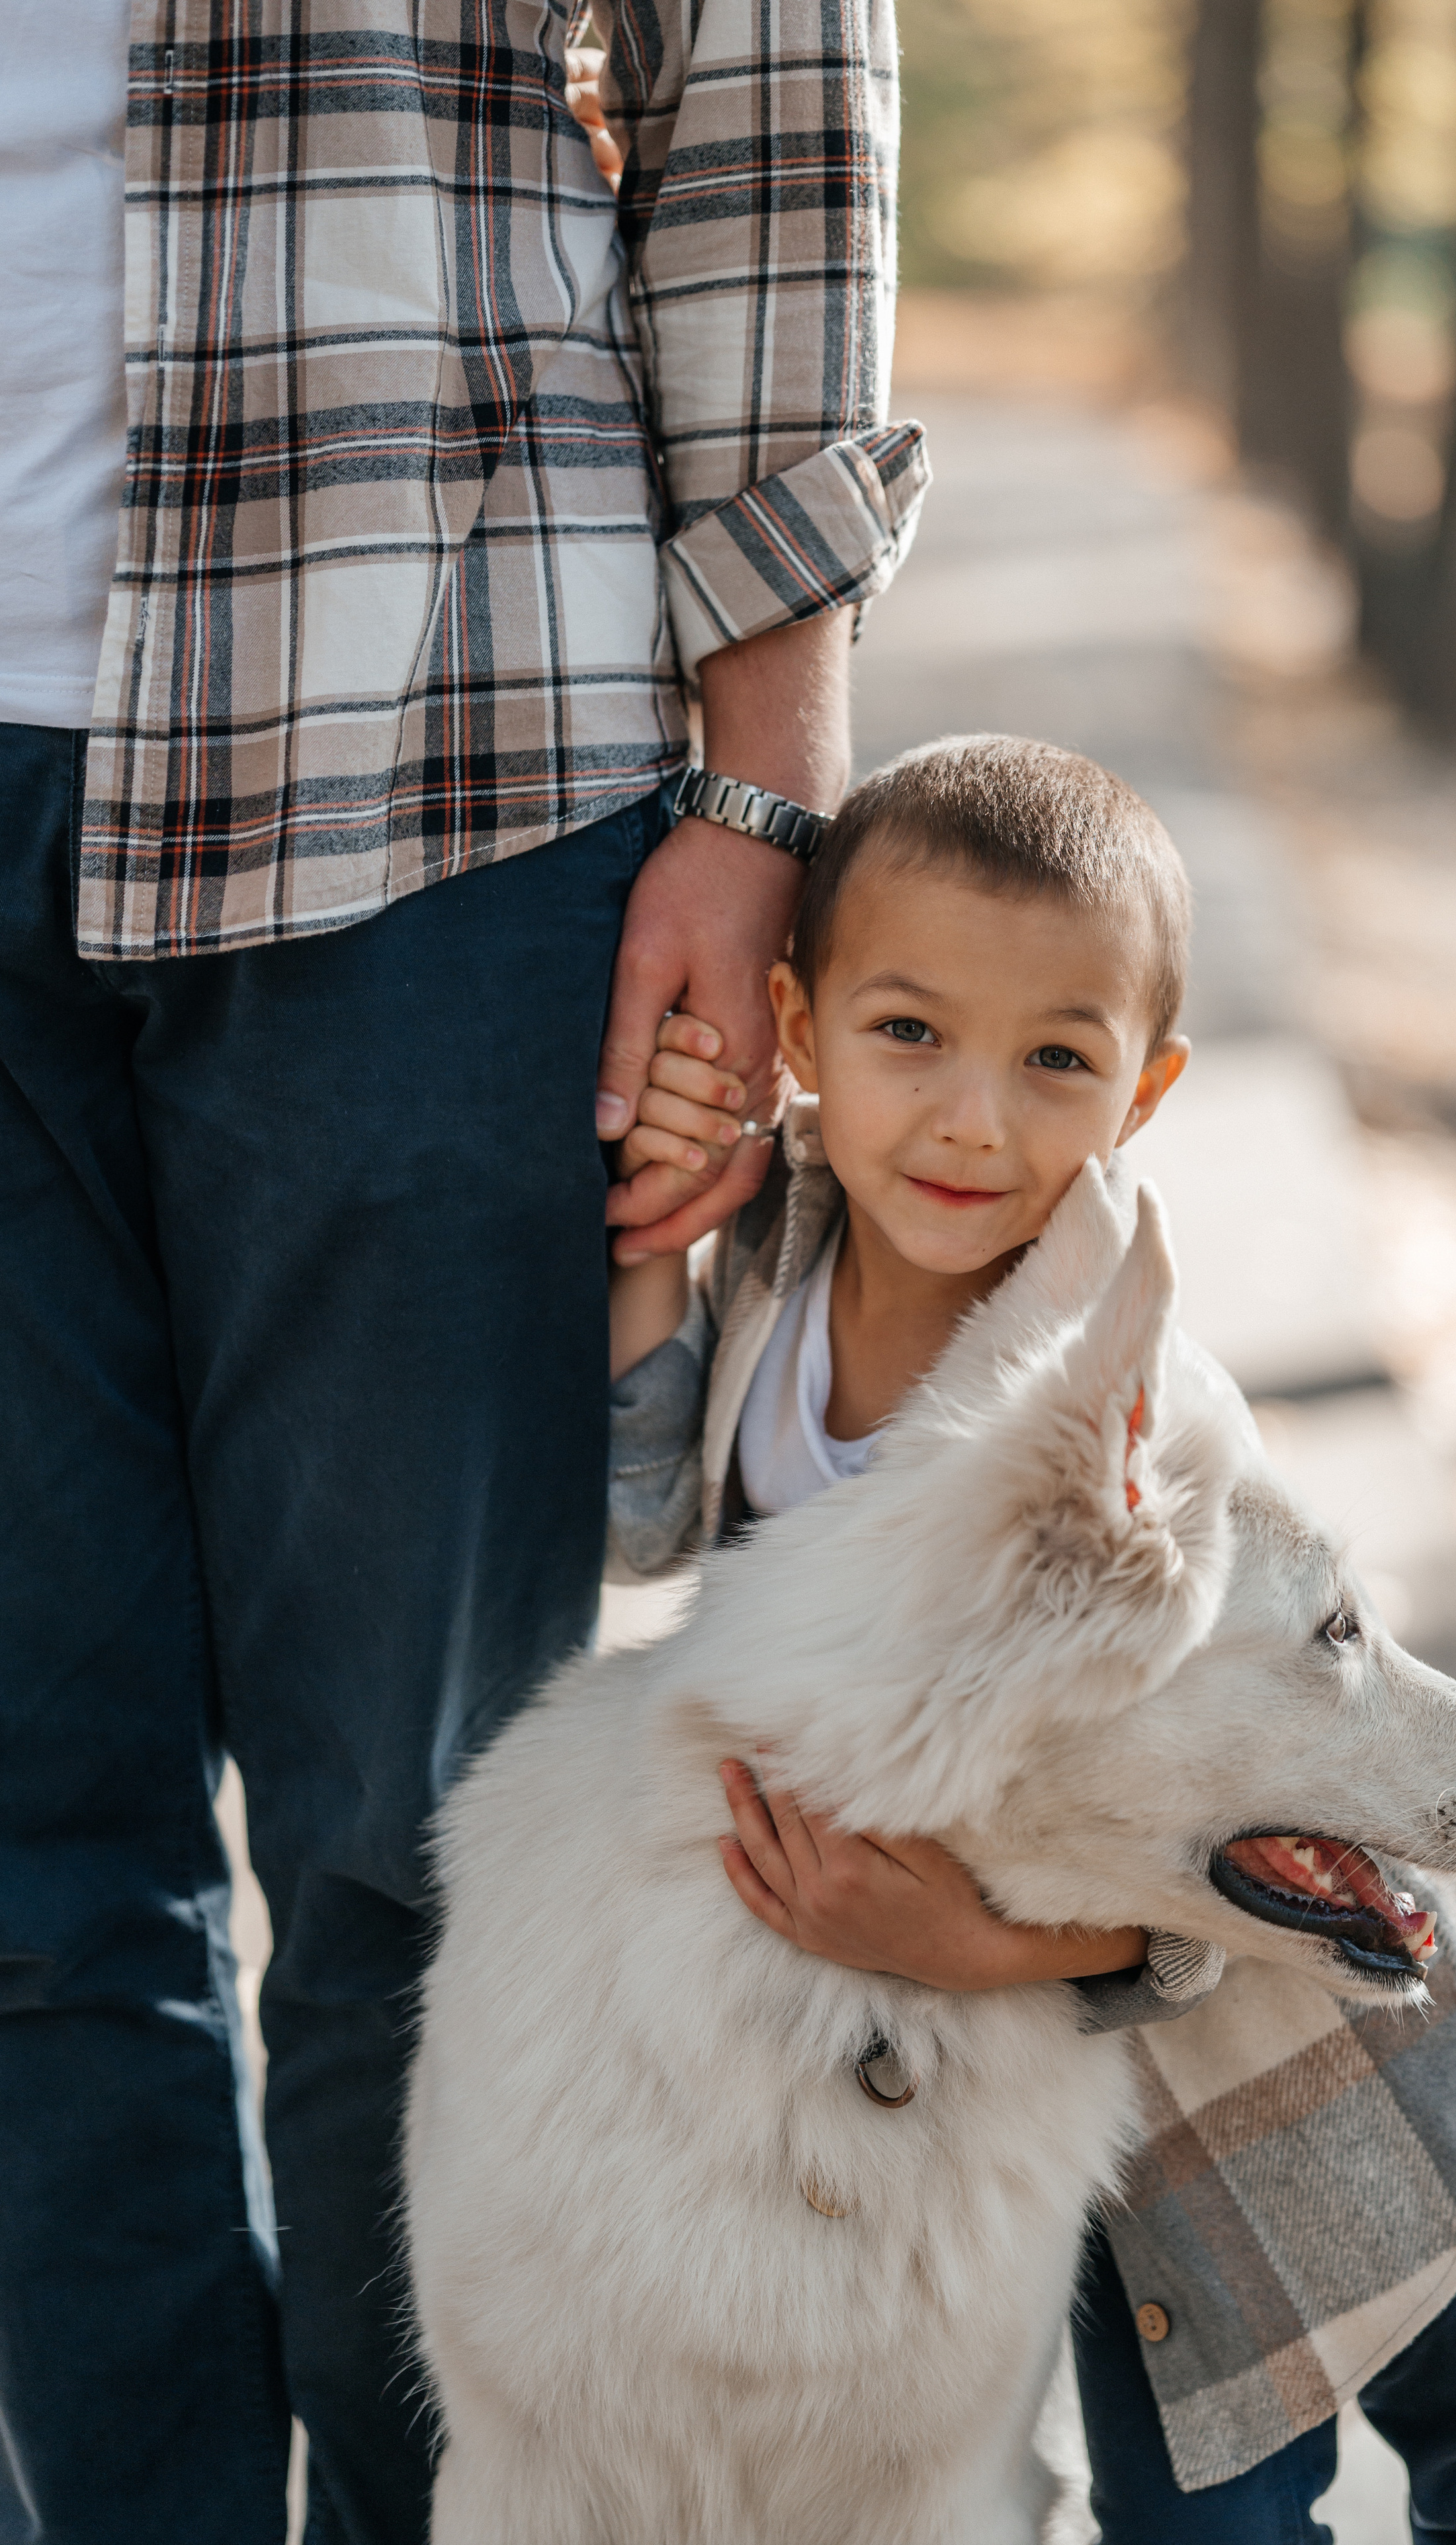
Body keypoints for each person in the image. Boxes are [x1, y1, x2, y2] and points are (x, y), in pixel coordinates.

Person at [0, 3, 924, 2537]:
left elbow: (758, 108)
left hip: (427, 759)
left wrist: (768, 796)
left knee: (422, 1851)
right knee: (28, 1884)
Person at [605, 732, 1456, 2545]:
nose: (971, 1122)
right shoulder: (774, 1262)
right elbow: (644, 1517)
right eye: (909, 1034)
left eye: (1057, 1064)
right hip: (1113, 2128)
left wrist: (983, 1944)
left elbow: (1243, 1807)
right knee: (1196, 2528)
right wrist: (647, 1248)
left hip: (1344, 2024)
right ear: (798, 1022)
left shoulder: (1130, 1410)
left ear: (1145, 1094)